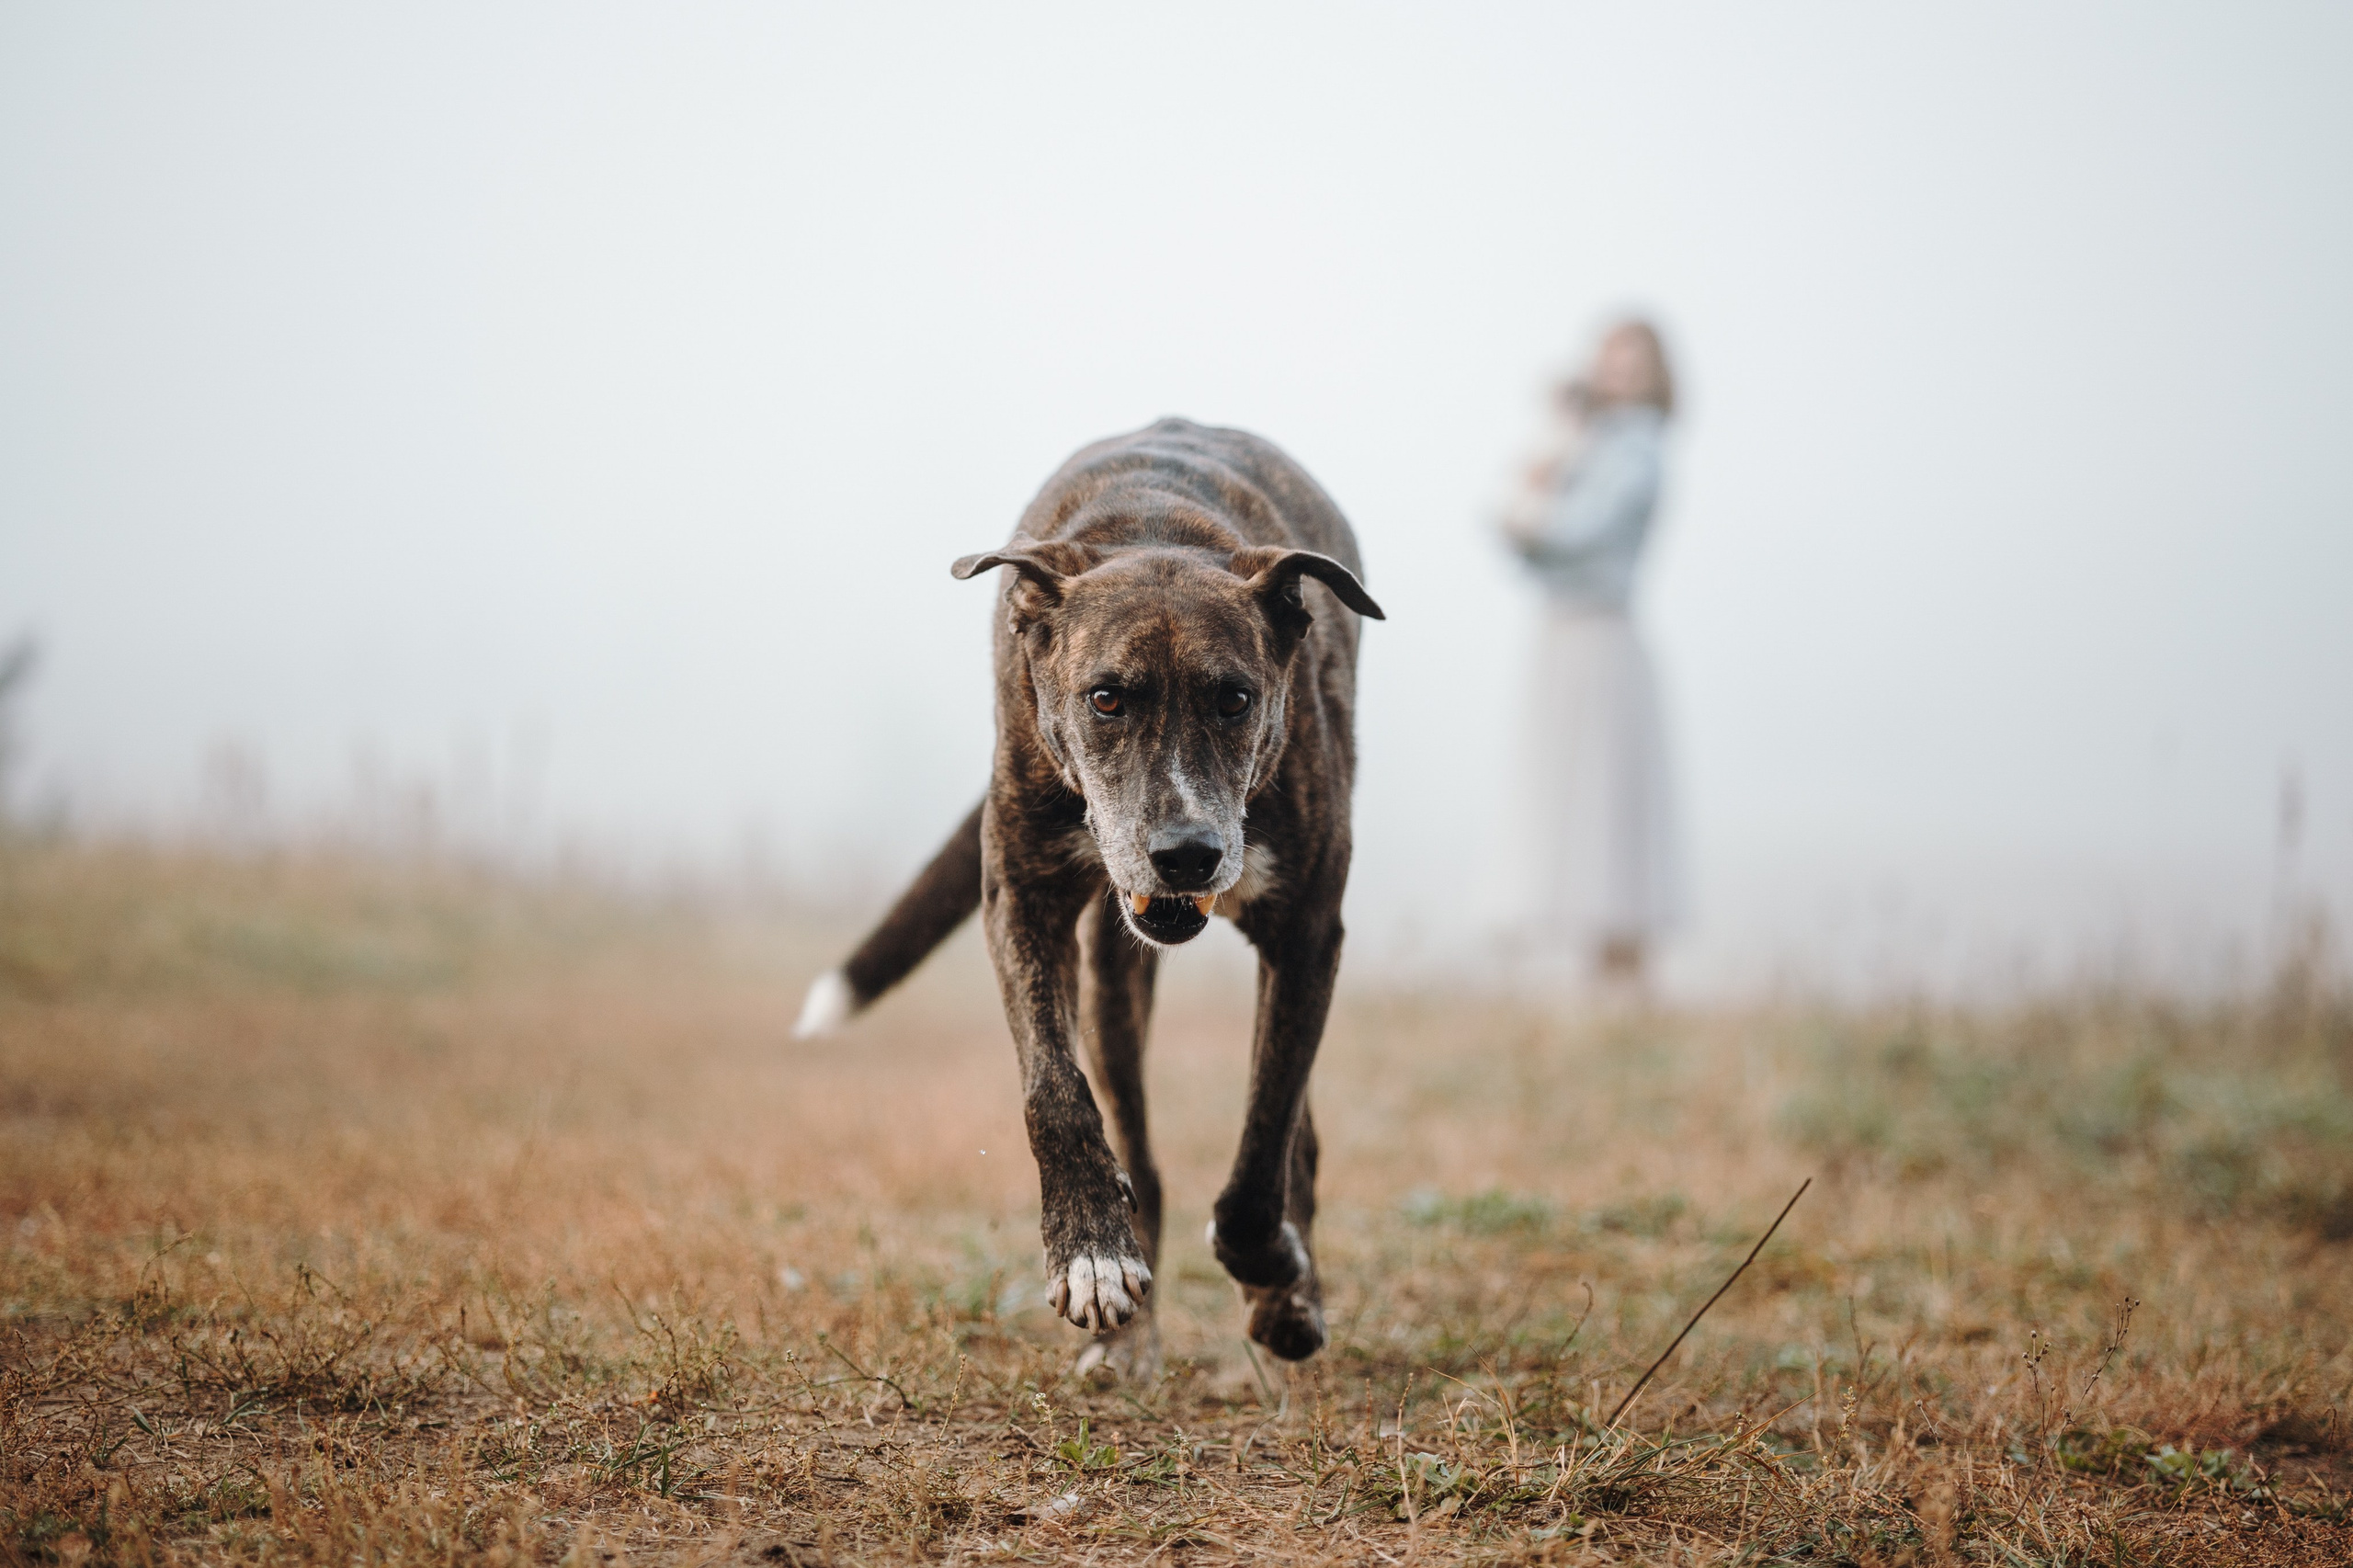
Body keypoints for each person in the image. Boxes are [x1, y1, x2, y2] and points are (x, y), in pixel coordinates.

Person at [1500, 320, 1683, 988]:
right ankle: (1599, 973)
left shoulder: (1634, 449)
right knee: (1577, 794)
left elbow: (1572, 533)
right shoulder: (1596, 444)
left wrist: (1532, 503)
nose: (1616, 375)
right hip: (1567, 628)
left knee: (1605, 796)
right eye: (1609, 360)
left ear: (1655, 374)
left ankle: (1621, 968)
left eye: (1631, 363)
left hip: (1600, 632)